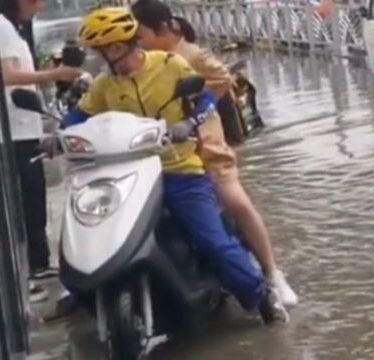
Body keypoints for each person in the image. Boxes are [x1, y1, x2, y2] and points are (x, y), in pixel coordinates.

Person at [64, 7, 288, 323]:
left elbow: (206, 99)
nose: (100, 59)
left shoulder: (170, 65)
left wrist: (189, 123)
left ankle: (261, 296)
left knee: (213, 241)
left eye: (101, 52)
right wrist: (58, 135)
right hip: (129, 175)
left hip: (180, 169)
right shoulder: (104, 85)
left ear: (116, 47)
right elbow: (78, 117)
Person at [131, 0, 299, 308]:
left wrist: (194, 113)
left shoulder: (189, 56)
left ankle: (273, 272)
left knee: (237, 203)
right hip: (165, 156)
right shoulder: (139, 63)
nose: (136, 41)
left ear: (164, 29)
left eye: (140, 33)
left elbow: (223, 81)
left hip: (207, 151)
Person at [0, 0, 81, 301]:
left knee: (35, 194)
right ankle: (34, 263)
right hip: (12, 128)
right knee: (27, 196)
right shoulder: (1, 28)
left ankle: (38, 262)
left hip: (23, 125)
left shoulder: (11, 29)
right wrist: (53, 75)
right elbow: (6, 76)